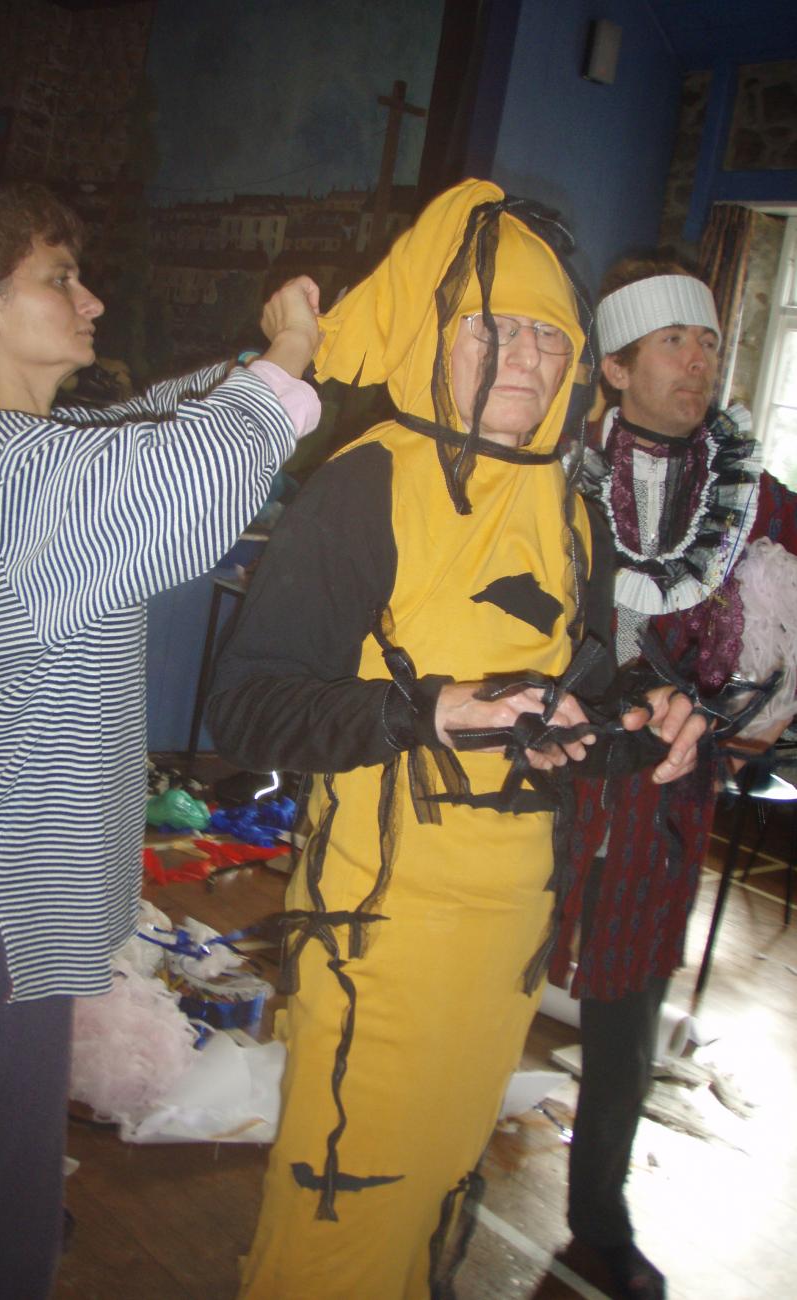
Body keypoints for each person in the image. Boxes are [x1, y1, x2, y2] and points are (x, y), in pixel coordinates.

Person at [207, 181, 705, 1300]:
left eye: (546, 333)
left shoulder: (568, 504)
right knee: (349, 1200)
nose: (525, 359)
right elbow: (246, 705)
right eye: (493, 328)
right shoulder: (363, 485)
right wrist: (419, 711)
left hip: (515, 929)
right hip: (381, 924)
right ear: (438, 335)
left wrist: (643, 713)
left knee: (433, 1195)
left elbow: (573, 683)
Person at [0, 181, 321, 1299]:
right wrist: (287, 361)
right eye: (59, 277)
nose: (93, 298)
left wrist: (265, 366)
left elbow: (146, 428)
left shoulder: (24, 451)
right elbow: (184, 477)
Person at [551, 257, 797, 1300]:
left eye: (707, 340)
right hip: (546, 787)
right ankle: (441, 1173)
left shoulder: (766, 507)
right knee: (488, 979)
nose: (700, 360)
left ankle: (599, 1219)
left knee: (629, 1008)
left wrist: (761, 718)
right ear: (614, 365)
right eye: (672, 343)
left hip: (666, 801)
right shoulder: (545, 475)